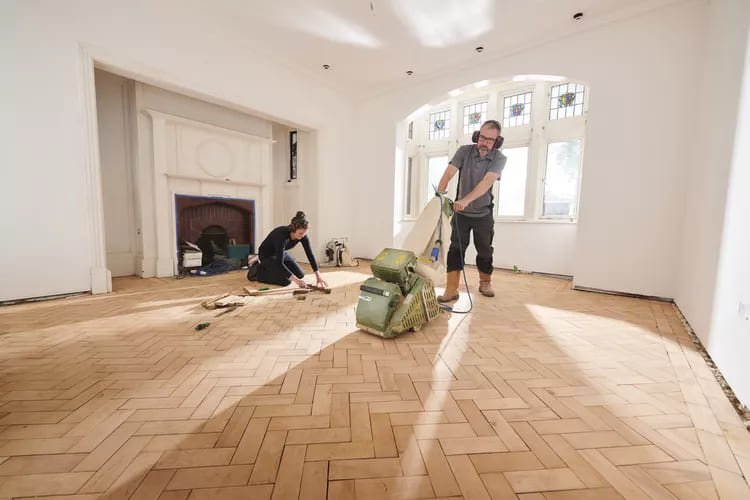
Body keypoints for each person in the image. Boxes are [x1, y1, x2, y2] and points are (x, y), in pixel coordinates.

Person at [436, 120, 506, 301]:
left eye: (490, 140)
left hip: (483, 215)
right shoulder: (464, 151)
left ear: (496, 141)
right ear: (477, 136)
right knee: (455, 250)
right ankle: (451, 289)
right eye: (482, 138)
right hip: (461, 216)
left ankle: (485, 282)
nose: (485, 143)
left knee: (484, 250)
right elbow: (449, 172)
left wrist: (465, 200)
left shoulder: (499, 158)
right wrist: (440, 194)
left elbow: (486, 183)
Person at [247, 211, 328, 289]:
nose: (303, 235)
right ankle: (258, 271)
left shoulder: (303, 236)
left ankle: (272, 270)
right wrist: (296, 281)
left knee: (300, 275)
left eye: (304, 233)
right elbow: (279, 263)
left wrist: (318, 276)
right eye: (300, 233)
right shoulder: (281, 235)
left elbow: (310, 255)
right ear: (293, 229)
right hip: (267, 255)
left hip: (280, 254)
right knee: (286, 281)